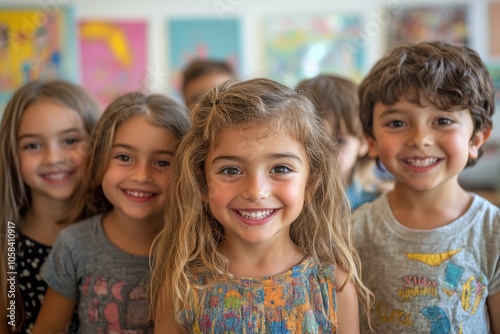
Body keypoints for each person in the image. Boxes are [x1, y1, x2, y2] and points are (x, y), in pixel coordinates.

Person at [150, 78, 373, 333]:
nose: (256, 191)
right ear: (202, 183)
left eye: (280, 168)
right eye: (231, 170)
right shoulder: (183, 287)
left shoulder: (333, 287)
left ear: (310, 183)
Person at [353, 41, 500, 333]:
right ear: (371, 140)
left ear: (476, 139)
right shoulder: (352, 232)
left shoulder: (493, 232)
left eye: (443, 120)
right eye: (396, 123)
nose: (420, 139)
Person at [32, 92, 190, 333]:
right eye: (124, 157)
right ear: (99, 162)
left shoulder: (196, 250)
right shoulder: (74, 244)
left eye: (162, 163)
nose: (141, 176)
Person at [0, 80, 100, 333]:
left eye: (70, 140)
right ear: (12, 153)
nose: (53, 158)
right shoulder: (7, 241)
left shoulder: (117, 230)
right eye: (33, 145)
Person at [296, 74, 392, 211]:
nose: (324, 152)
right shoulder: (288, 201)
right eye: (313, 140)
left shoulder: (375, 205)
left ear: (365, 142)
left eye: (339, 141)